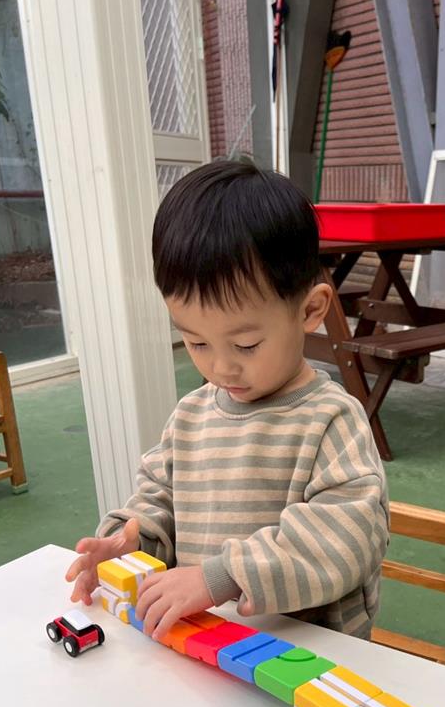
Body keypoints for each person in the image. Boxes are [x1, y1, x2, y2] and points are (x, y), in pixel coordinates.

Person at [65, 160, 389, 642]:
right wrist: (129, 541)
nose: (220, 368)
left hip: (306, 656)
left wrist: (221, 577)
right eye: (196, 342)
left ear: (310, 310)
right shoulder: (191, 415)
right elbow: (158, 499)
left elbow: (346, 537)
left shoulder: (330, 421)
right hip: (205, 643)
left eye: (245, 345)